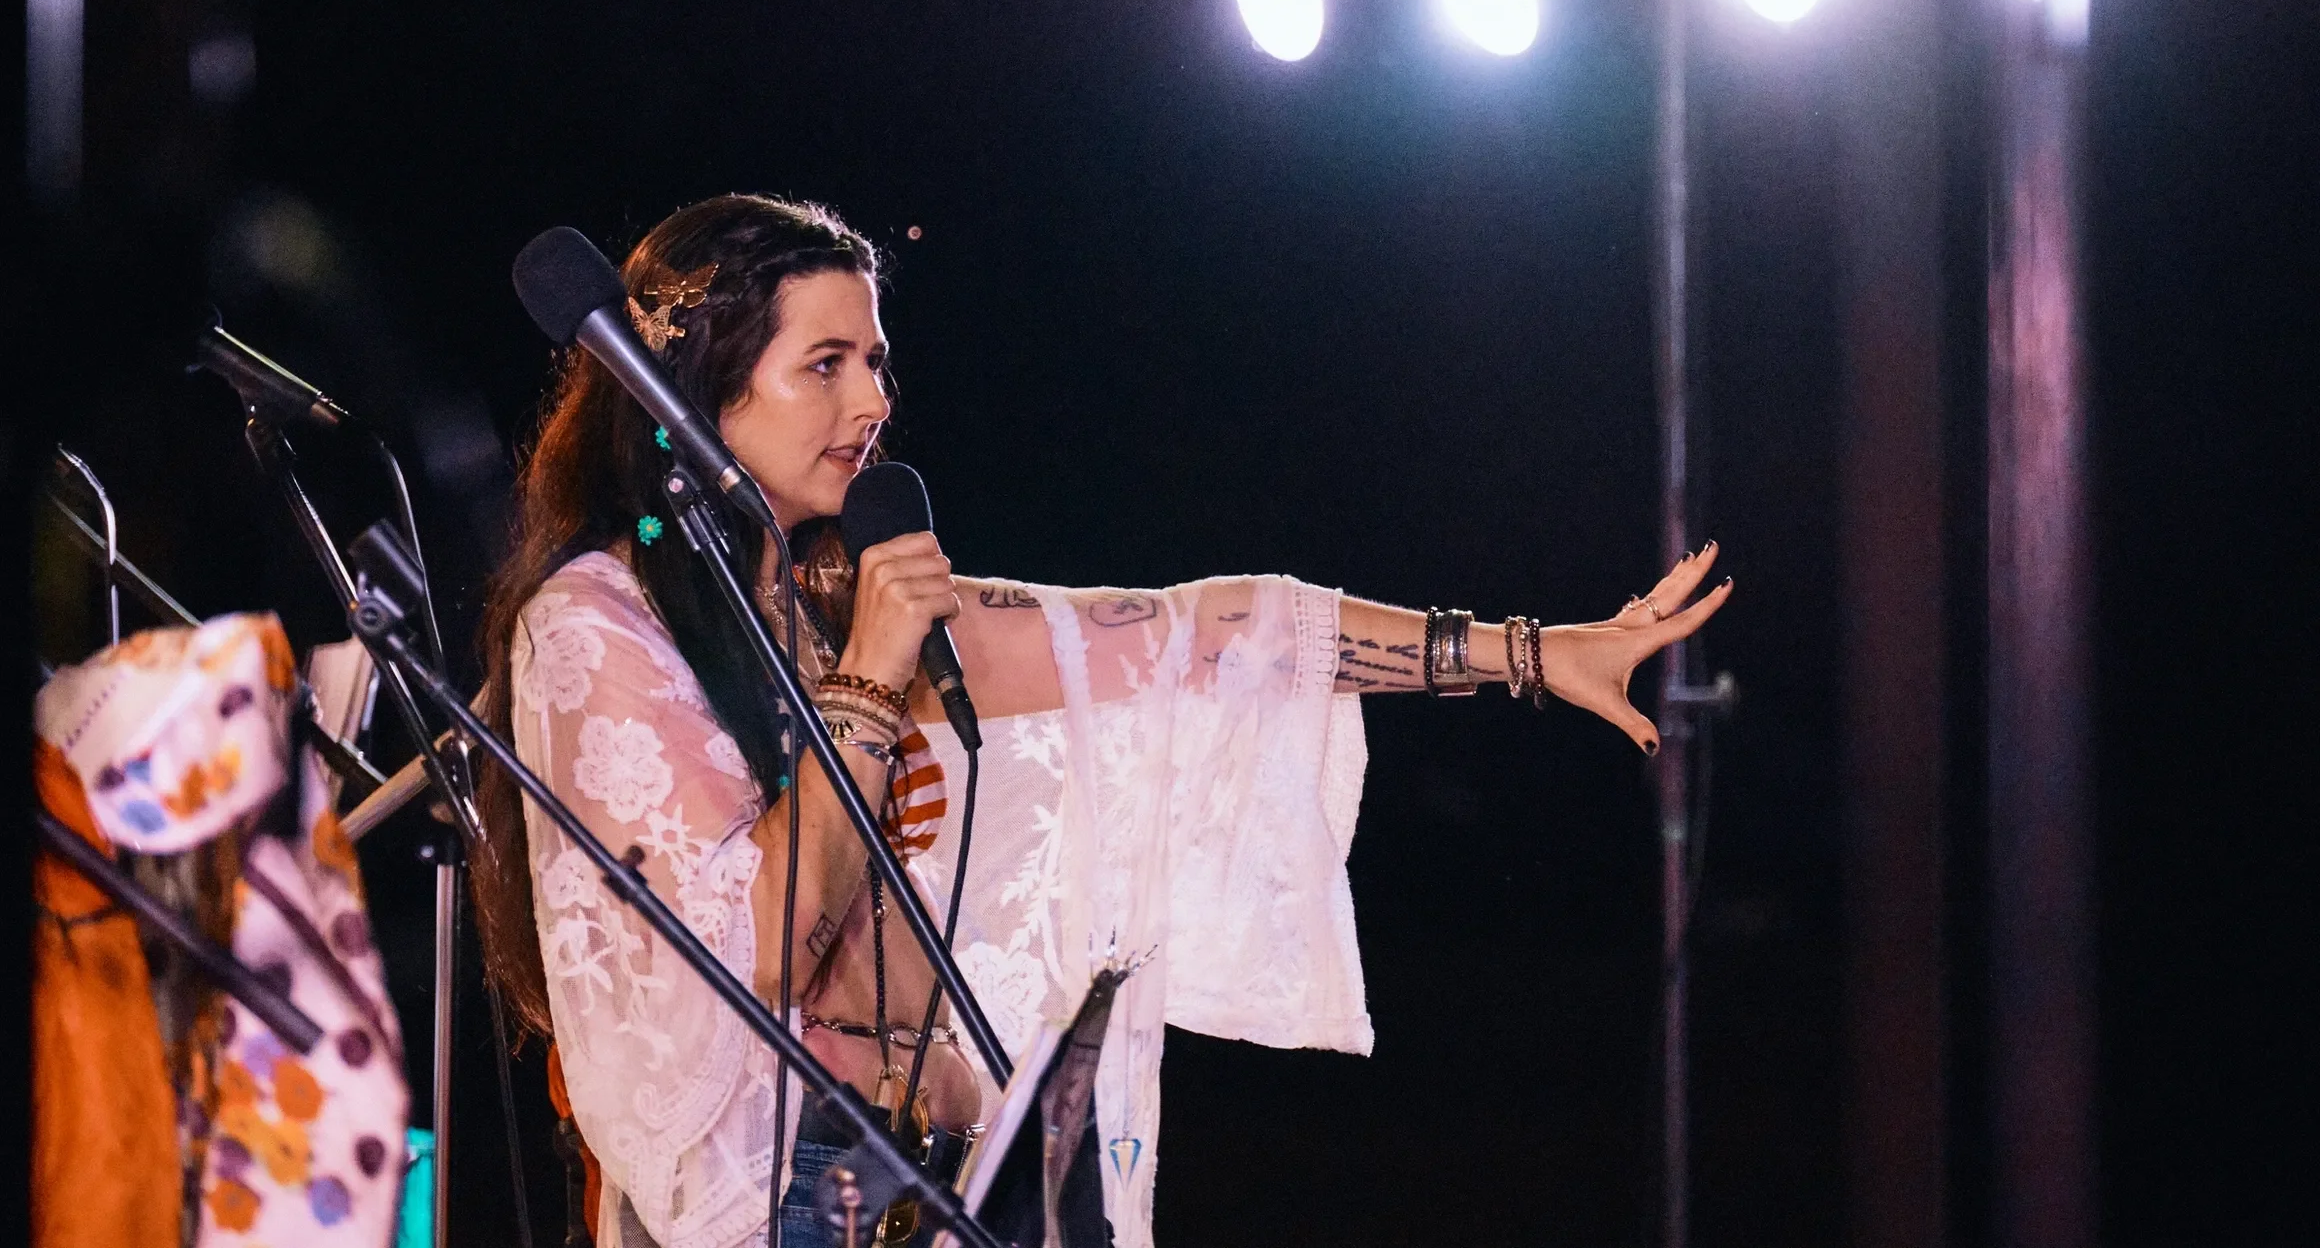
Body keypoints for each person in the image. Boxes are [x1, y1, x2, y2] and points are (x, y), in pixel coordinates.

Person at [469, 194, 1732, 1248]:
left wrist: (1525, 651)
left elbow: (1197, 632)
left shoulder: (829, 598)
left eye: (875, 360)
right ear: (699, 387)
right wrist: (867, 682)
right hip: (775, 1201)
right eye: (825, 363)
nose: (874, 400)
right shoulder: (599, 623)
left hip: (932, 1174)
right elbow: (752, 947)